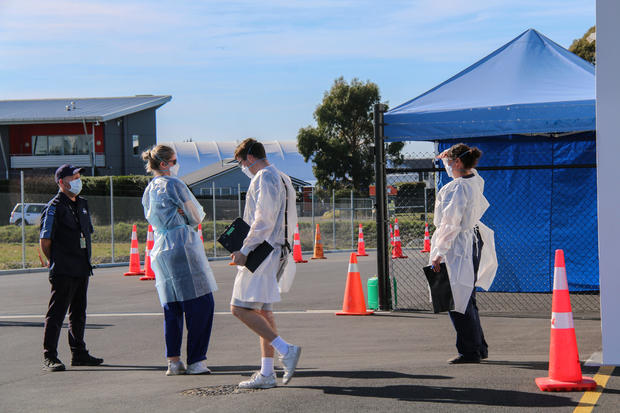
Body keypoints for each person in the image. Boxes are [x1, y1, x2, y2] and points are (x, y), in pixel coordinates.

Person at [142, 145, 218, 376]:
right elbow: (196, 215)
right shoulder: (174, 184)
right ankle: (196, 360)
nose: (176, 165)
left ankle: (173, 361)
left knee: (172, 305)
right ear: (164, 164)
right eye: (173, 161)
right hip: (182, 244)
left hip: (161, 246)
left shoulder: (150, 188)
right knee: (201, 302)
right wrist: (186, 217)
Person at [230, 138, 300, 389]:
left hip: (263, 251)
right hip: (278, 249)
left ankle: (286, 349)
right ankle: (267, 372)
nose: (242, 167)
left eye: (240, 162)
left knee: (239, 308)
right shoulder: (282, 177)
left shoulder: (263, 178)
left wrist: (245, 249)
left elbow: (263, 219)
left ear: (249, 158)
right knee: (263, 311)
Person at [430, 143, 498, 364]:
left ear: (458, 162)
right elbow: (467, 172)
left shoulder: (456, 189)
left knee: (456, 298)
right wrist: (447, 157)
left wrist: (439, 253)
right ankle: (478, 346)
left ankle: (469, 350)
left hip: (458, 246)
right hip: (472, 242)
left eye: (450, 162)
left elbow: (450, 223)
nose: (447, 166)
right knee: (467, 297)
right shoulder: (474, 181)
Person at [40, 164, 103, 371]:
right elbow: (45, 240)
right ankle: (50, 356)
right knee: (56, 314)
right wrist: (56, 260)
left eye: (78, 177)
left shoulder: (82, 203)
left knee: (79, 312)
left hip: (81, 267)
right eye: (73, 177)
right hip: (64, 269)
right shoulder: (54, 206)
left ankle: (79, 353)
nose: (78, 180)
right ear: (61, 182)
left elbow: (86, 233)